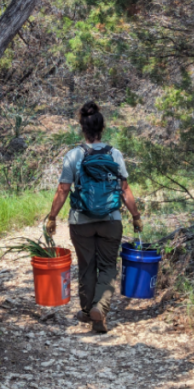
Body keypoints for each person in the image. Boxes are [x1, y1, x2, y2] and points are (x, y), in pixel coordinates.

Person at [46, 102, 141, 333]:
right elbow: (125, 190)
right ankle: (100, 309)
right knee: (107, 267)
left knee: (87, 266)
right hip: (111, 220)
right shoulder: (115, 154)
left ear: (82, 128)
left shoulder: (73, 155)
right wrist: (136, 216)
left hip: (81, 221)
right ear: (102, 128)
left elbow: (63, 189)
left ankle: (89, 311)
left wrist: (52, 217)